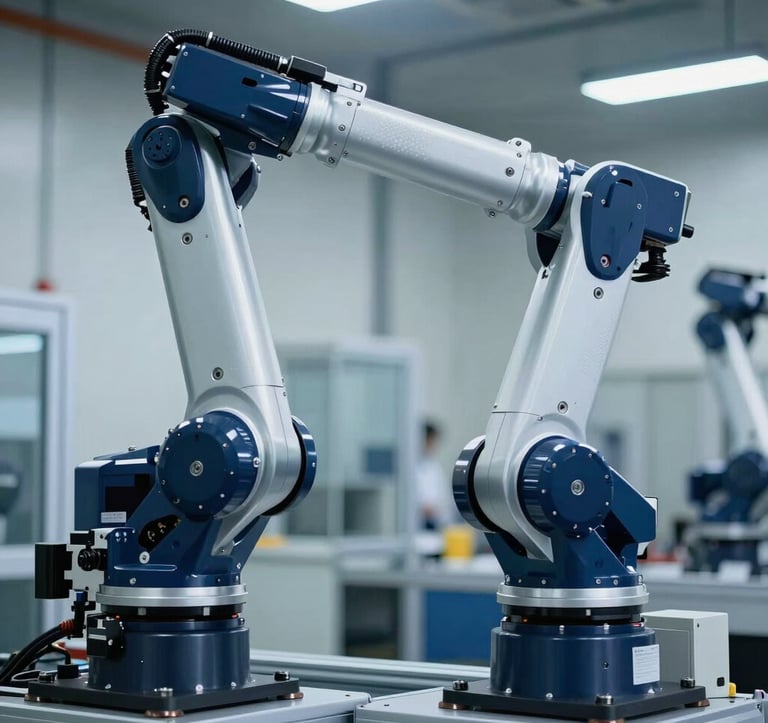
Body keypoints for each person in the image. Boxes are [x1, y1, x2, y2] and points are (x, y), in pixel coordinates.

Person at [416, 420, 457, 530]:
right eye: (429, 441)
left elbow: (446, 502)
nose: (432, 445)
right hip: (418, 527)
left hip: (437, 526)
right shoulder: (410, 468)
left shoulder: (435, 469)